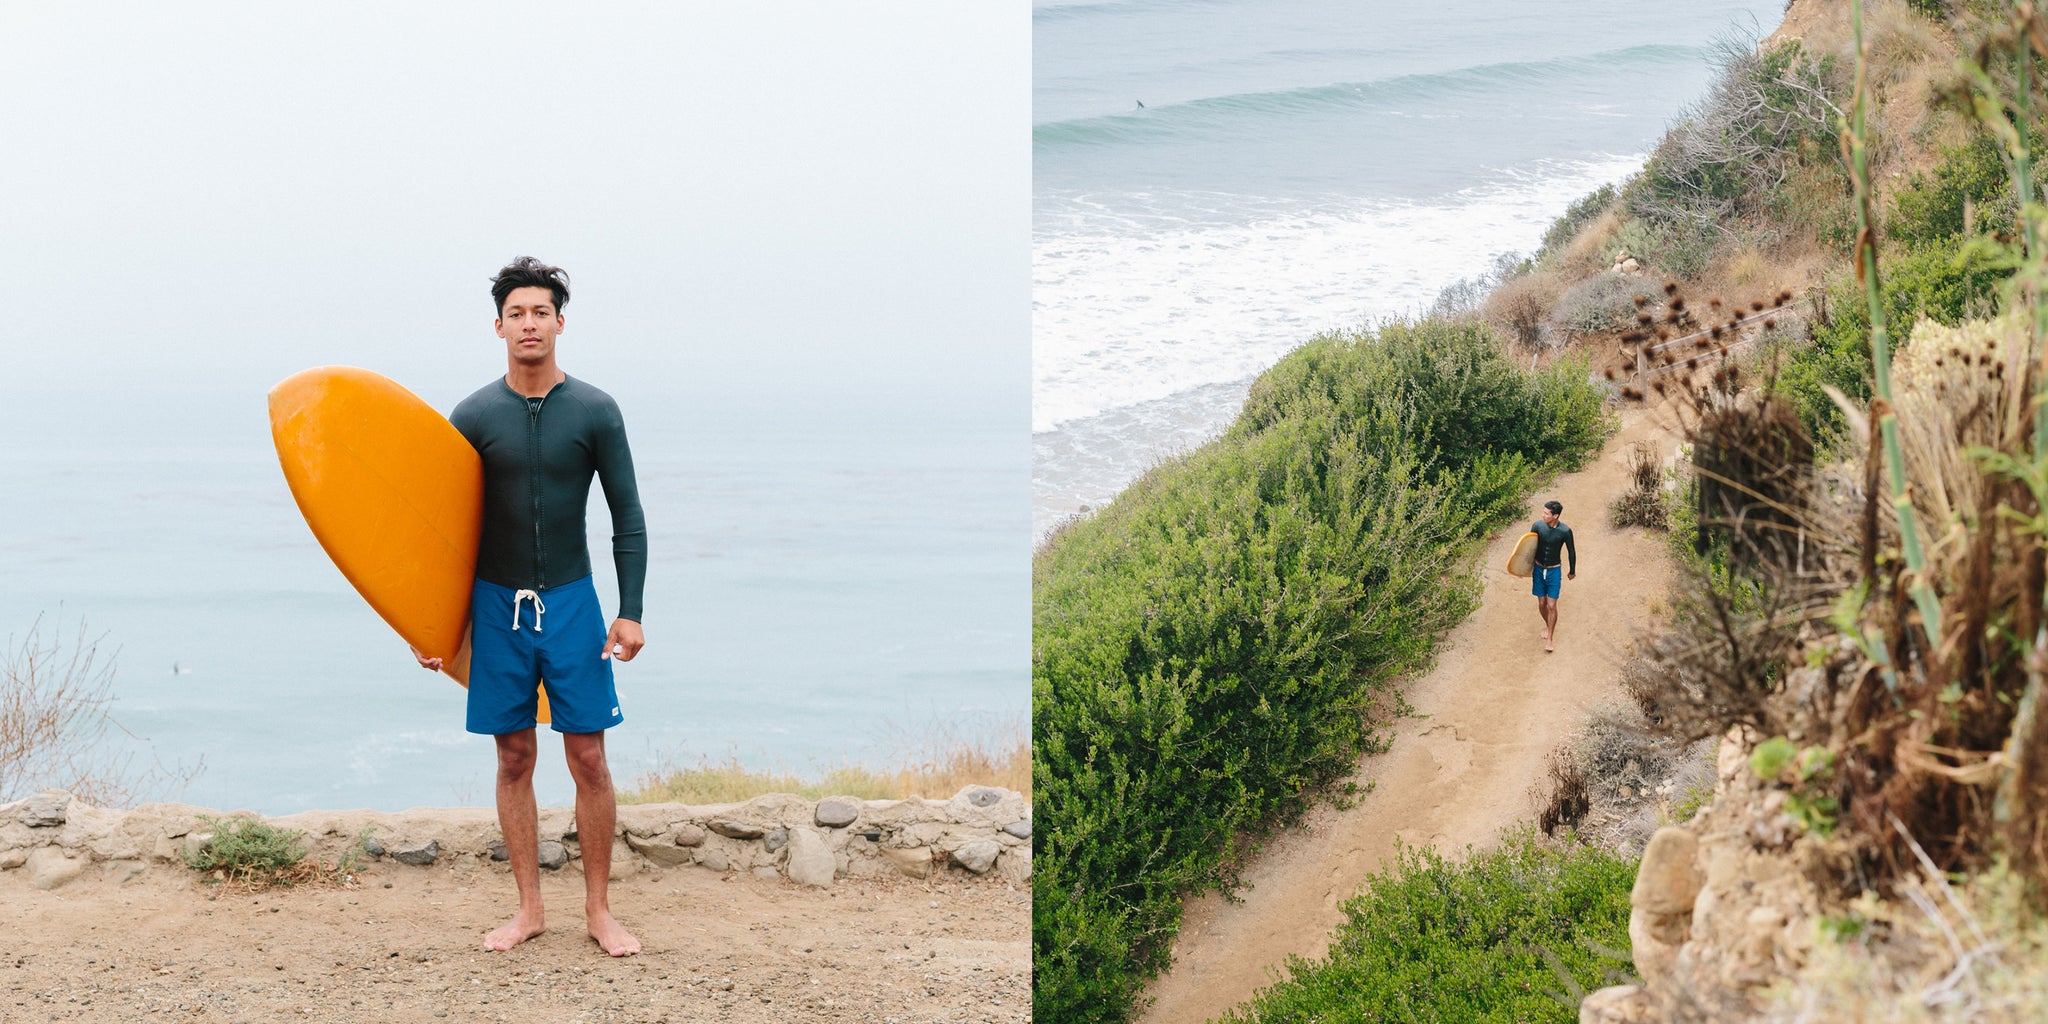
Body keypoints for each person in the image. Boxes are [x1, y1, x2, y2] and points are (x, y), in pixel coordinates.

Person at [410, 256, 648, 956]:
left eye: (540, 311)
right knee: (513, 757)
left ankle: (599, 912)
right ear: (499, 326)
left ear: (559, 323)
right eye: (517, 313)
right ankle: (529, 910)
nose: (529, 323)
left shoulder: (595, 410)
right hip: (496, 607)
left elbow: (627, 516)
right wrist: (430, 623)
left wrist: (629, 610)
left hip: (572, 603)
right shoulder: (475, 415)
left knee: (589, 759)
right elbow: (444, 532)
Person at [1531, 499, 1576, 654]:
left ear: (1555, 516)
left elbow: (1571, 551)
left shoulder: (1565, 531)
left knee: (1551, 605)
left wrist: (1572, 570)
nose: (1542, 515)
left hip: (1553, 570)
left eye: (1546, 513)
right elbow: (1529, 547)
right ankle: (1548, 624)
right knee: (1542, 603)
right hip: (1538, 568)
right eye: (1543, 512)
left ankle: (1550, 637)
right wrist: (1523, 568)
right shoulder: (1537, 526)